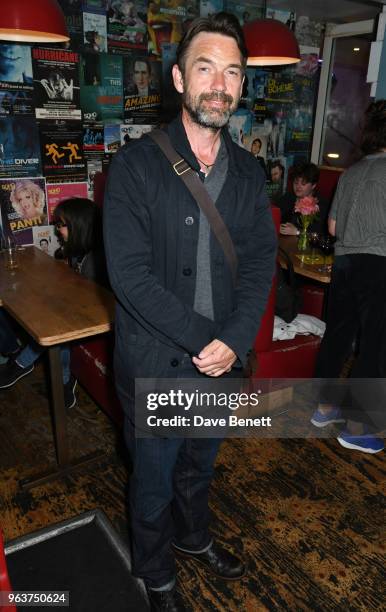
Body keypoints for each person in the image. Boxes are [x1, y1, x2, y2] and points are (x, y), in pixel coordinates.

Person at [104, 12, 277, 611]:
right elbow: (130, 278)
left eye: (232, 72)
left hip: (221, 362)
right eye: (206, 68)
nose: (219, 84)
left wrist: (232, 339)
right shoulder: (132, 167)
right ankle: (155, 573)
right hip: (160, 362)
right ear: (179, 77)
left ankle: (194, 538)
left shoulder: (251, 174)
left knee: (199, 466)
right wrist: (210, 339)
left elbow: (259, 268)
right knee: (151, 483)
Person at [310, 100, 386, 454]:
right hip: (379, 265)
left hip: (345, 263)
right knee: (376, 346)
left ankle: (324, 409)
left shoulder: (351, 173)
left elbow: (333, 226)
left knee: (337, 337)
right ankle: (358, 426)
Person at [0, 198, 109, 410]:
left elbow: (94, 303)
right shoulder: (79, 252)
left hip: (102, 322)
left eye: (61, 225)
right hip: (81, 312)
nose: (57, 230)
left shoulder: (97, 260)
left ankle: (31, 368)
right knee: (48, 314)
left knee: (56, 329)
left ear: (79, 226)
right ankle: (53, 376)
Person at [278, 162, 330, 236]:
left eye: (303, 183)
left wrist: (298, 232)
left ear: (313, 185)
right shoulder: (289, 197)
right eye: (296, 182)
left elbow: (319, 235)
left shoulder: (321, 205)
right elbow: (275, 214)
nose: (298, 187)